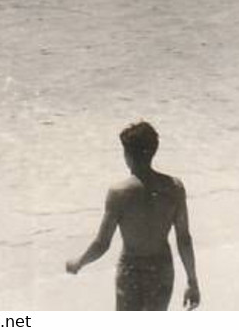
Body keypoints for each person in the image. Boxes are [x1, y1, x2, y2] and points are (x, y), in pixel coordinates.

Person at [65, 121, 201, 311]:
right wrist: (192, 281)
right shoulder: (174, 188)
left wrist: (80, 261)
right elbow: (184, 239)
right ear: (154, 151)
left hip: (131, 270)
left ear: (127, 155)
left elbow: (102, 243)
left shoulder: (119, 193)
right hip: (161, 269)